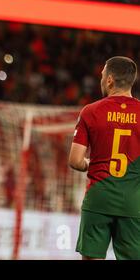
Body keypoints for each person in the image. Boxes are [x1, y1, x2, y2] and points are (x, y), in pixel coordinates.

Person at [69, 56, 140, 260]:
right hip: (133, 202)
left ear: (109, 80)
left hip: (99, 199)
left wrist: (88, 164)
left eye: (102, 76)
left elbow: (75, 160)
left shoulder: (91, 111)